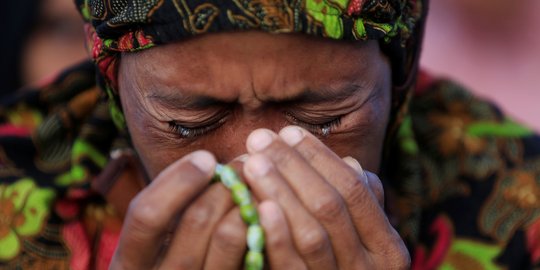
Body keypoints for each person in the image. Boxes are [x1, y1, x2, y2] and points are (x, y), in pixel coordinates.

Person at [0, 0, 538, 269]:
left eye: (326, 118)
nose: (254, 162)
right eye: (188, 124)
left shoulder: (521, 209)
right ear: (115, 91)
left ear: (396, 86)